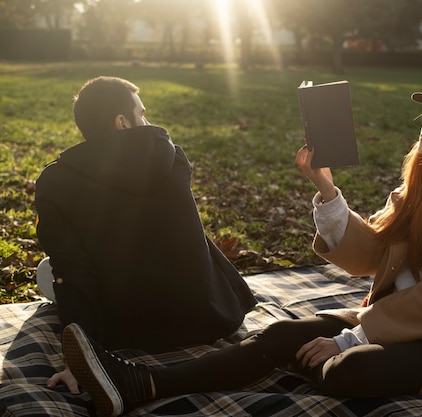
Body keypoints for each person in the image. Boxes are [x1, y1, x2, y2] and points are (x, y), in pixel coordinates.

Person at [60, 84, 422, 417]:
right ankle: (143, 382)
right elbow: (371, 256)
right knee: (282, 334)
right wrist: (325, 189)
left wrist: (350, 338)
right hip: (397, 320)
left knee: (348, 369)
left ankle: (326, 356)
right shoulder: (420, 186)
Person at [35, 76, 256, 393]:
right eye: (142, 114)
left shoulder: (54, 182)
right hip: (208, 318)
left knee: (50, 270)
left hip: (124, 330)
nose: (148, 122)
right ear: (122, 122)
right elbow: (188, 243)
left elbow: (73, 272)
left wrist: (81, 356)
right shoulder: (172, 158)